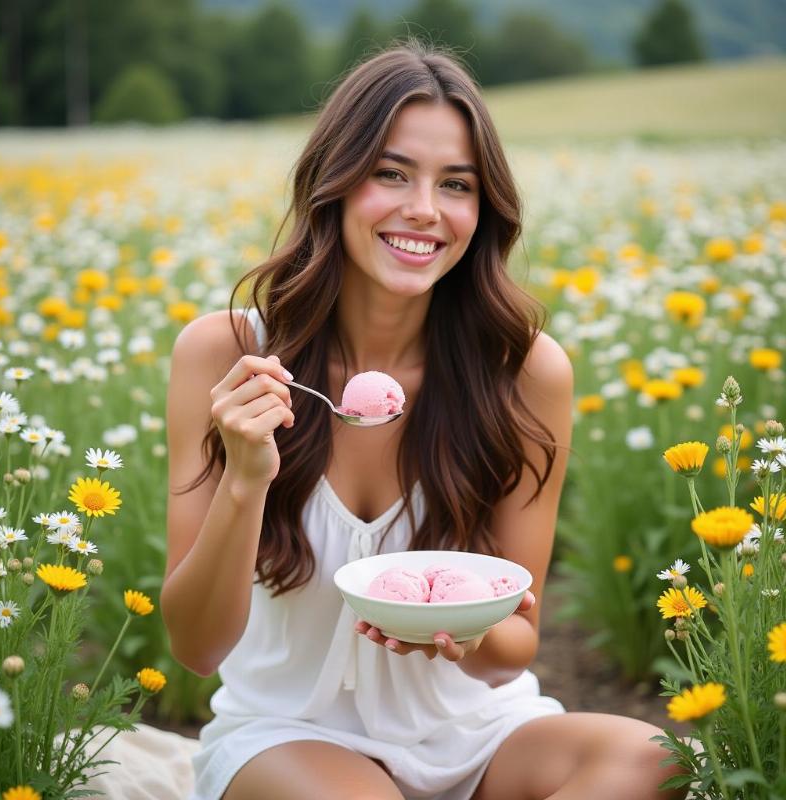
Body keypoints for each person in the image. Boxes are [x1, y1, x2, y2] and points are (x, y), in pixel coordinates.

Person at [161, 40, 686, 800]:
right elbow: (195, 647)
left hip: (481, 732)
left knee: (657, 759)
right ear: (335, 183)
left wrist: (469, 632)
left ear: (485, 206)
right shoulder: (226, 354)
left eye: (457, 184)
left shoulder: (526, 373)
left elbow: (514, 651)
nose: (424, 210)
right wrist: (245, 482)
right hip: (289, 738)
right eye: (392, 173)